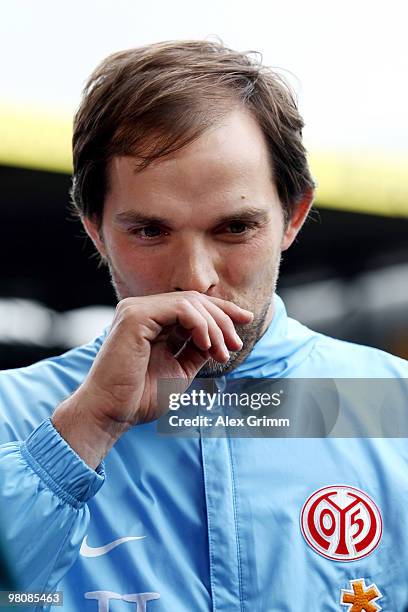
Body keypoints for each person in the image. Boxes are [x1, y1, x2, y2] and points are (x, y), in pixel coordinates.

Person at [0, 40, 407, 612]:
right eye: (149, 231)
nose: (195, 279)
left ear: (293, 217)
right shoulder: (12, 415)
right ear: (95, 229)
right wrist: (82, 430)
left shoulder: (392, 403)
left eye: (235, 228)